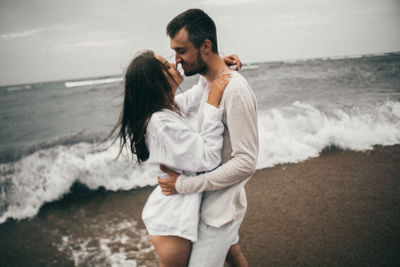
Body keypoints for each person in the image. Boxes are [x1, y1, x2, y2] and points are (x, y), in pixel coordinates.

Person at [110, 49, 242, 267]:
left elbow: (197, 93)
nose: (174, 64)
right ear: (155, 82)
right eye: (165, 65)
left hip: (189, 205)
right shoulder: (161, 123)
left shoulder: (165, 110)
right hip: (173, 222)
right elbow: (208, 157)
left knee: (235, 255)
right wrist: (213, 102)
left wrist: (215, 68)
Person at [158, 9, 259, 267]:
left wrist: (183, 185)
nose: (177, 60)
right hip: (210, 202)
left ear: (205, 46)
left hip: (219, 214)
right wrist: (219, 64)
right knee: (234, 256)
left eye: (181, 51)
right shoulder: (206, 81)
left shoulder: (235, 90)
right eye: (174, 52)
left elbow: (246, 162)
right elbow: (170, 109)